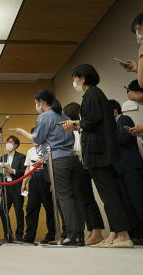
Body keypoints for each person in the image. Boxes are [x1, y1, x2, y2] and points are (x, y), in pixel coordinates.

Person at [62, 64, 133, 248]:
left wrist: (75, 123)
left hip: (98, 152)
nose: (74, 82)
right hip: (101, 151)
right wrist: (78, 124)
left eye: (74, 78)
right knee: (109, 194)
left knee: (109, 194)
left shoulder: (92, 94)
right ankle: (117, 233)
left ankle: (123, 235)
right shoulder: (95, 94)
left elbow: (91, 121)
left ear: (82, 78)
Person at [12, 89, 85, 246]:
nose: (36, 105)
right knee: (76, 197)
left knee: (64, 197)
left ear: (42, 102)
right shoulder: (64, 116)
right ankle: (79, 235)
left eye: (36, 102)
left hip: (57, 160)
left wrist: (22, 132)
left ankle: (71, 235)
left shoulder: (44, 116)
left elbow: (37, 138)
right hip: (72, 159)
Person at [63, 102, 105, 245]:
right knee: (83, 201)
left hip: (85, 166)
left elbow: (81, 150)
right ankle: (91, 231)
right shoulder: (73, 132)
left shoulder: (80, 130)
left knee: (88, 200)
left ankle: (97, 231)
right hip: (79, 167)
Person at [109, 99, 143, 242]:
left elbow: (124, 138)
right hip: (120, 169)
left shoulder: (123, 119)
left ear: (114, 110)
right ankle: (136, 234)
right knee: (127, 204)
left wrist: (108, 135)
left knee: (138, 201)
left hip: (131, 167)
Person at [21, 129, 55, 244]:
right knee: (31, 208)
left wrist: (52, 183)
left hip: (45, 178)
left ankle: (51, 235)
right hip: (34, 179)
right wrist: (24, 183)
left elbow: (52, 166)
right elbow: (27, 168)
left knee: (49, 208)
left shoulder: (48, 148)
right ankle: (29, 236)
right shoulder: (30, 150)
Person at [0, 135, 26, 242]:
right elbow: (0, 173)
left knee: (18, 211)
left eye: (11, 142)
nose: (8, 144)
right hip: (5, 188)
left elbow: (25, 171)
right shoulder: (2, 157)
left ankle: (19, 236)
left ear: (16, 145)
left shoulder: (22, 157)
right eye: (7, 141)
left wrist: (13, 171)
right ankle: (8, 235)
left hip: (18, 188)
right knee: (2, 210)